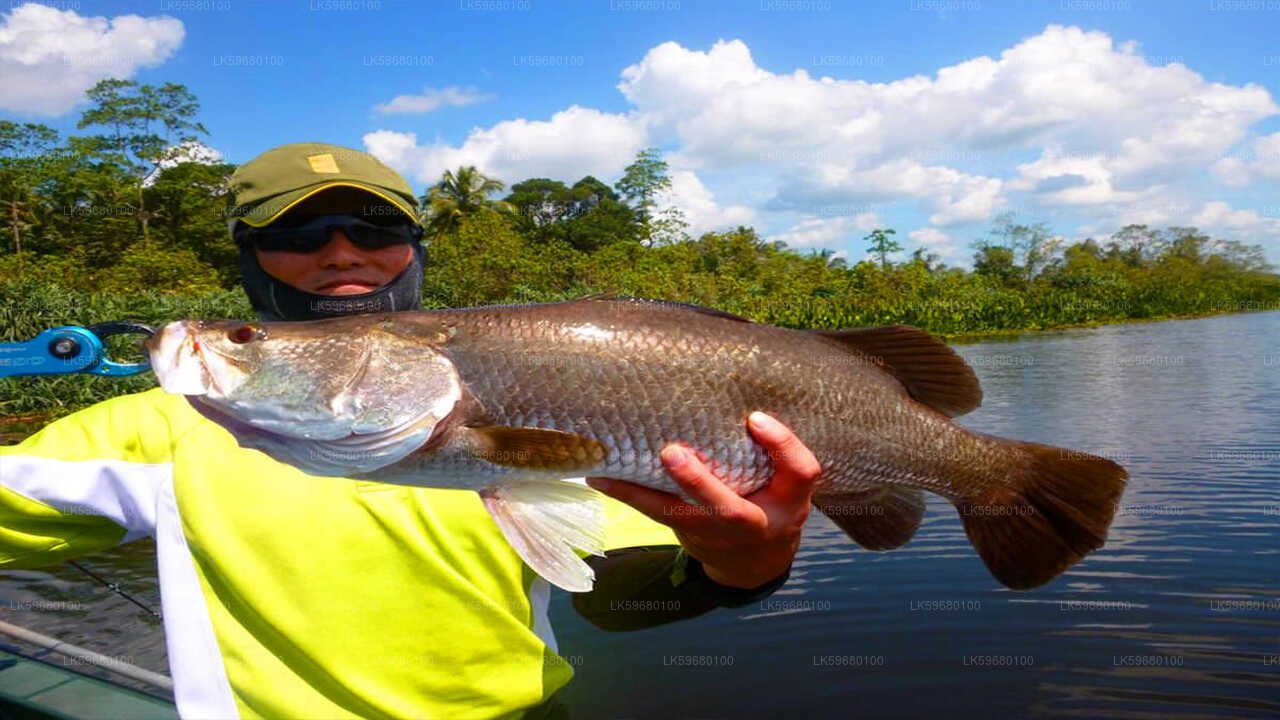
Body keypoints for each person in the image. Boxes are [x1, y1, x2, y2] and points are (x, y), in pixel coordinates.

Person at [0, 143, 821, 718]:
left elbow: (611, 595)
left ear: (414, 248)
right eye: (296, 236)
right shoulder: (151, 432)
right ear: (251, 256)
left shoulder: (539, 387)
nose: (341, 254)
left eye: (377, 231)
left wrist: (738, 572)